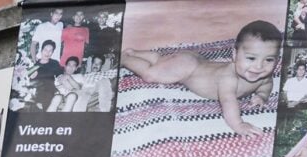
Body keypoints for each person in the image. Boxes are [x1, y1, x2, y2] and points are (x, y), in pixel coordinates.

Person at [121, 20, 282, 137]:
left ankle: (136, 53)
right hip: (187, 67)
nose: (259, 67)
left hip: (198, 61)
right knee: (151, 75)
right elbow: (228, 102)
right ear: (234, 55)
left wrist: (262, 96)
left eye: (269, 60)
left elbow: (266, 84)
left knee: (161, 62)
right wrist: (239, 125)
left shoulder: (263, 75)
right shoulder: (229, 78)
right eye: (251, 58)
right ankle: (125, 58)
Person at [29, 40, 63, 110]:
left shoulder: (54, 63)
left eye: (50, 50)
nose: (47, 53)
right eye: (45, 50)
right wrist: (32, 77)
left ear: (53, 52)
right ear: (41, 50)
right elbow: (29, 82)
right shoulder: (35, 65)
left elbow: (60, 76)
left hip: (49, 89)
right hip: (37, 91)